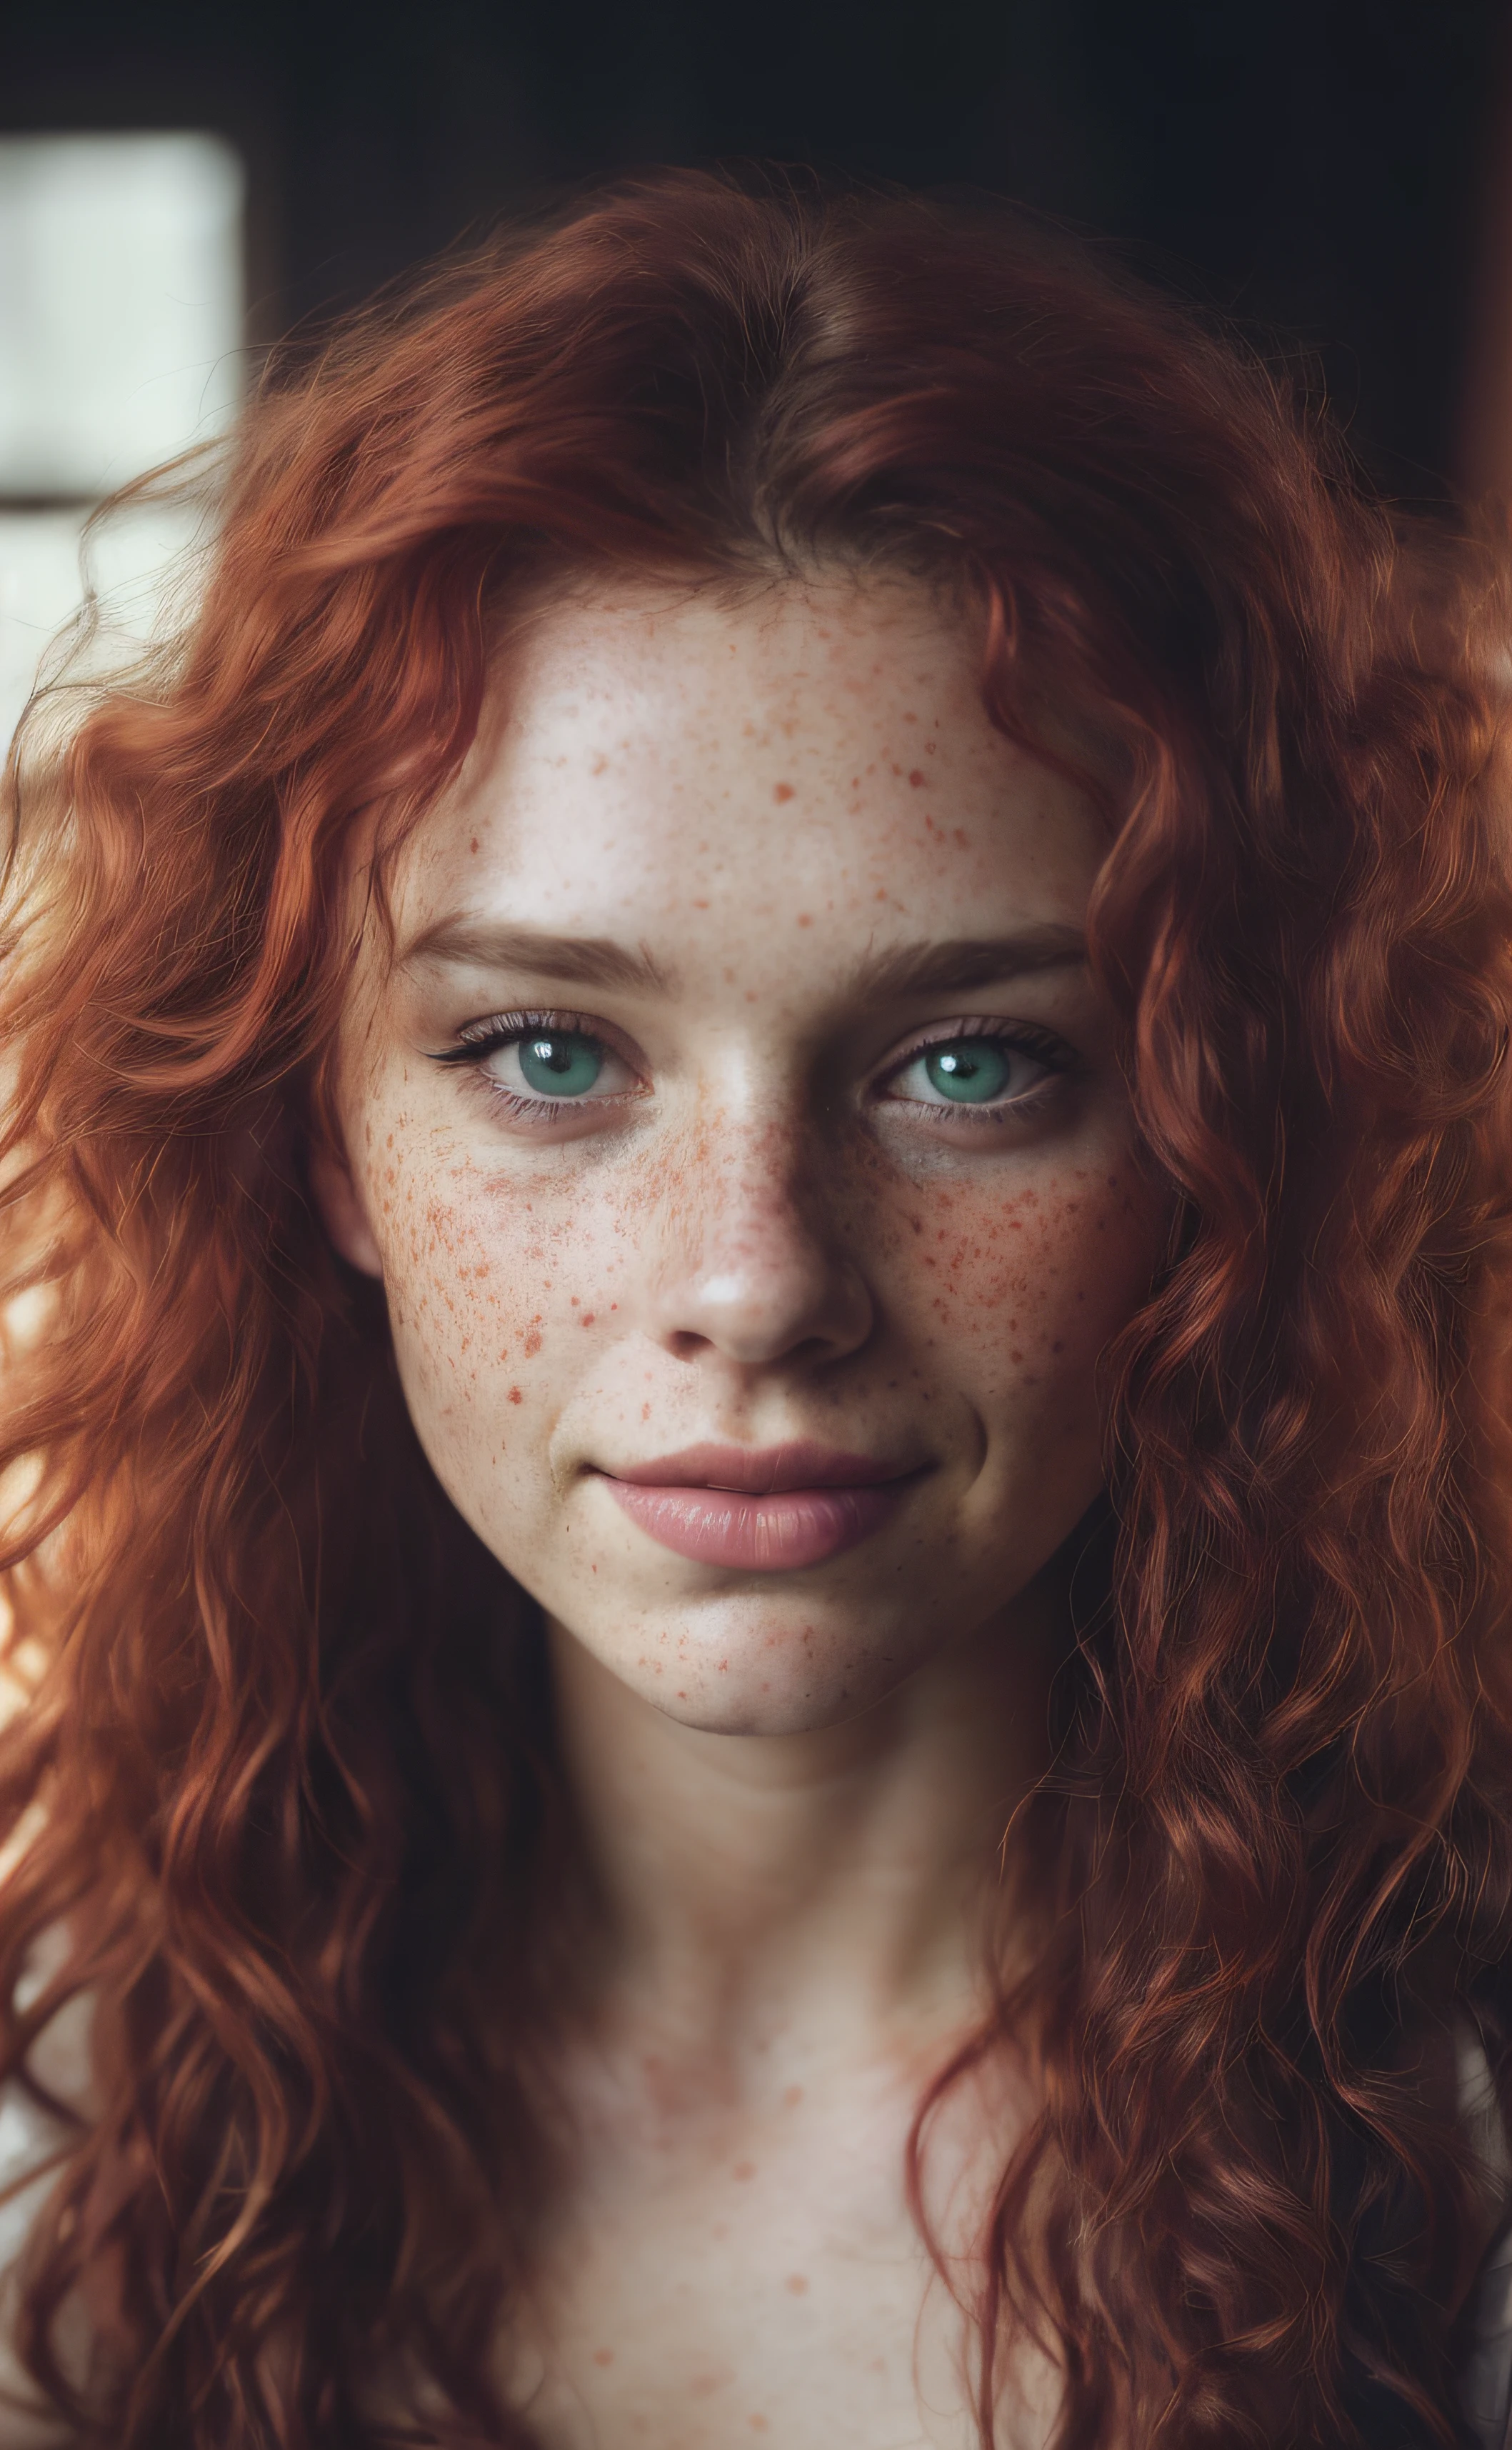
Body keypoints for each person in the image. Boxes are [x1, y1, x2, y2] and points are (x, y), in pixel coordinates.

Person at [0, 166, 1508, 2450]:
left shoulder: (1449, 2186)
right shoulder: (73, 2138)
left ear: (1226, 1133)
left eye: (966, 1064)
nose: (756, 1280)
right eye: (547, 1053)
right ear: (321, 1139)